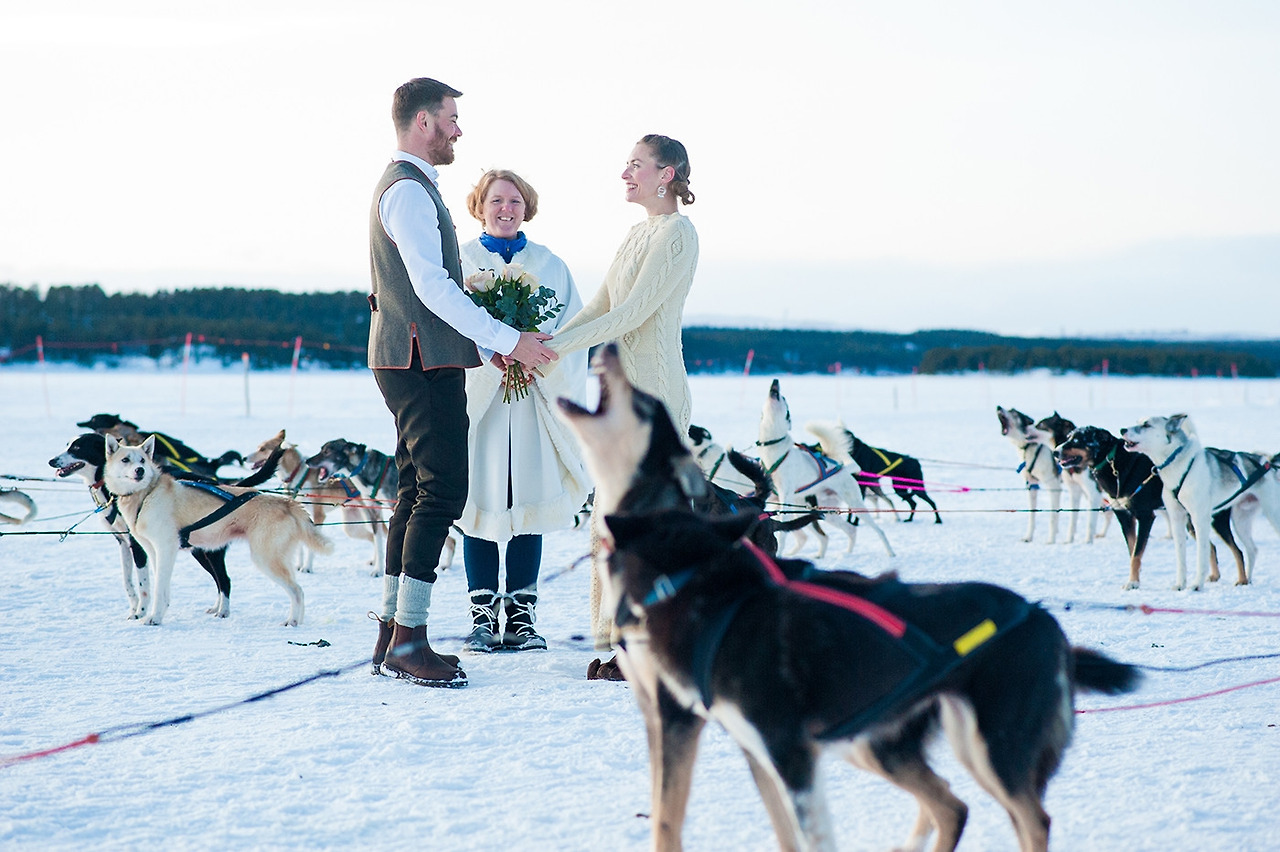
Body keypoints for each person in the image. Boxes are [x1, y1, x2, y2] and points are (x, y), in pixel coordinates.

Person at [366, 78, 558, 689]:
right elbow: (433, 288)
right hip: (419, 362)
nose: (457, 130)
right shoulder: (409, 191)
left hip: (418, 357)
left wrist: (485, 347)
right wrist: (508, 339)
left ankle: (393, 631)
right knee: (444, 492)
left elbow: (432, 291)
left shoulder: (412, 187)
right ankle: (410, 643)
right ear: (423, 121)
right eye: (451, 118)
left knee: (417, 490)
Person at [539, 134, 699, 677]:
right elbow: (599, 308)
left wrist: (553, 348)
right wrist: (536, 346)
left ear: (667, 174)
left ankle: (651, 642)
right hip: (620, 397)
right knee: (610, 514)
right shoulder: (636, 234)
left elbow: (631, 315)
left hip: (655, 396)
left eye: (636, 165)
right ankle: (614, 639)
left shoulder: (678, 234)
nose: (625, 173)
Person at [456, 169, 590, 653]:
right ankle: (481, 615)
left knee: (528, 504)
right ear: (481, 205)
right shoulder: (463, 260)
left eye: (515, 200)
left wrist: (540, 361)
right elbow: (450, 323)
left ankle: (521, 616)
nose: (506, 209)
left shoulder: (550, 264)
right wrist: (498, 354)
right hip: (483, 401)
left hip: (532, 399)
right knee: (482, 503)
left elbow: (572, 328)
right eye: (497, 200)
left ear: (526, 207)